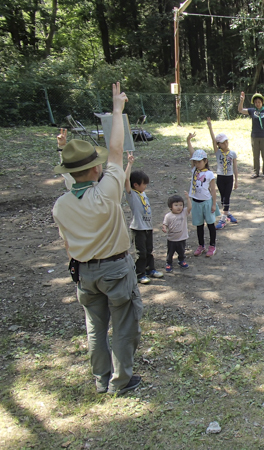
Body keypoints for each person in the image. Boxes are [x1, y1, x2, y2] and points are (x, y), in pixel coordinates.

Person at [52, 82, 143, 396]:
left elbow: (72, 184)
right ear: (95, 169)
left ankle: (101, 379)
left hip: (84, 273)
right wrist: (117, 111)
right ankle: (121, 381)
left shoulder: (62, 205)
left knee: (95, 327)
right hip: (116, 269)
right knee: (122, 325)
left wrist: (63, 149)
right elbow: (116, 151)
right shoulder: (107, 193)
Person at [125, 154, 163, 284]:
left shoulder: (143, 193)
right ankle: (139, 274)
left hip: (148, 227)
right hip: (138, 228)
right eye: (144, 184)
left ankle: (150, 269)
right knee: (140, 252)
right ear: (135, 184)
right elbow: (125, 180)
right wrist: (129, 164)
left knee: (149, 250)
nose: (145, 186)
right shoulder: (132, 195)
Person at [204, 119, 239, 229]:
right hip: (220, 177)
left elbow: (235, 167)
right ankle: (228, 214)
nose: (225, 143)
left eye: (226, 141)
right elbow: (213, 140)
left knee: (227, 198)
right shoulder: (218, 152)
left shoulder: (232, 153)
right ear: (219, 144)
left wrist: (236, 180)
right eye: (222, 142)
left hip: (229, 178)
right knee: (223, 198)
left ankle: (222, 220)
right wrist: (210, 127)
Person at [187, 147, 219, 258]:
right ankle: (201, 245)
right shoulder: (194, 170)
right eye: (195, 162)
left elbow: (213, 191)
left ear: (205, 161)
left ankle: (212, 245)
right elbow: (191, 153)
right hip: (196, 202)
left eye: (199, 161)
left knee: (210, 225)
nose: (197, 164)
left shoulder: (209, 174)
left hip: (207, 202)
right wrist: (189, 142)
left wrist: (214, 204)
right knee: (199, 225)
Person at [238, 92, 264, 179]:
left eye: (259, 102)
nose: (257, 104)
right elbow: (240, 110)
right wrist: (241, 101)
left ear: (262, 102)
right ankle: (256, 172)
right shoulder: (252, 111)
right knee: (255, 155)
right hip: (254, 136)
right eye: (256, 102)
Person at [162, 193, 192, 272]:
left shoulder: (184, 213)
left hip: (182, 238)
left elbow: (189, 208)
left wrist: (188, 199)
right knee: (170, 252)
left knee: (181, 251)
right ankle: (169, 263)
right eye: (176, 205)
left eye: (181, 205)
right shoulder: (168, 216)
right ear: (170, 207)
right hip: (172, 239)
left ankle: (181, 260)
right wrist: (164, 228)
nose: (179, 207)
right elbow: (165, 224)